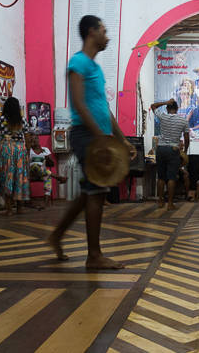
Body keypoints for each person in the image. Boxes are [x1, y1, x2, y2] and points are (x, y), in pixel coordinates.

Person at [49, 15, 136, 269]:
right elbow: (78, 103)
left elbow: (104, 107)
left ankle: (57, 235)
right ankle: (94, 256)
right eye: (104, 31)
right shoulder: (78, 62)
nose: (107, 36)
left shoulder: (96, 69)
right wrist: (99, 136)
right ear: (91, 32)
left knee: (90, 191)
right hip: (86, 135)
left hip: (99, 136)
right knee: (97, 192)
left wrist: (122, 140)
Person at [0, 97, 31, 215]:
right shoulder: (22, 120)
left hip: (5, 149)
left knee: (6, 176)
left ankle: (9, 209)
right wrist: (27, 153)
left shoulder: (0, 120)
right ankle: (20, 208)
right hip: (19, 150)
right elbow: (27, 138)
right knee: (19, 178)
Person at [150, 98, 191, 210]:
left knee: (161, 178)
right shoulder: (183, 121)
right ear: (177, 109)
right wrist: (185, 151)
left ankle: (160, 201)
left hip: (161, 149)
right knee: (172, 178)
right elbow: (187, 139)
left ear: (168, 108)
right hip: (173, 150)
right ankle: (170, 204)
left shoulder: (163, 116)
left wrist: (164, 102)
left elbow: (153, 105)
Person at [27, 133, 65, 207]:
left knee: (48, 177)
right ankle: (58, 177)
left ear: (38, 139)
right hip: (31, 174)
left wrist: (48, 158)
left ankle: (46, 200)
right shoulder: (28, 151)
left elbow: (51, 164)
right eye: (31, 140)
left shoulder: (45, 150)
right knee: (35, 166)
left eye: (35, 139)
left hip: (42, 174)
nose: (33, 141)